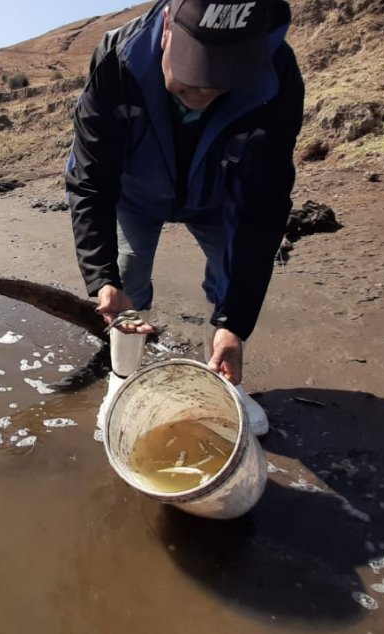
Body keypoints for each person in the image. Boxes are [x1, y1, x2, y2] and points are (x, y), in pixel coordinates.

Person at [65, 0, 304, 425]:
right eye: (195, 72)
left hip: (219, 197)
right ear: (169, 24)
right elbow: (90, 181)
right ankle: (123, 379)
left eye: (226, 75)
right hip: (135, 194)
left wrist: (236, 323)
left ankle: (225, 381)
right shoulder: (117, 60)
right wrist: (101, 278)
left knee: (227, 277)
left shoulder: (277, 74)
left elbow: (263, 206)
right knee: (128, 271)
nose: (206, 92)